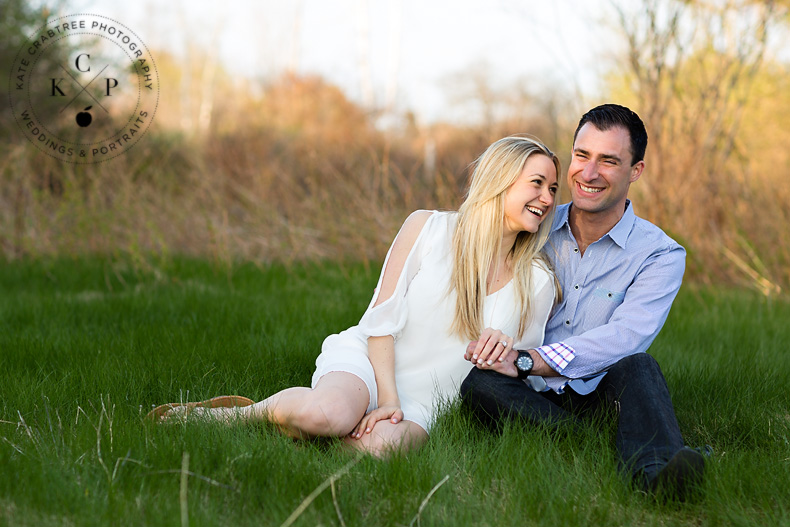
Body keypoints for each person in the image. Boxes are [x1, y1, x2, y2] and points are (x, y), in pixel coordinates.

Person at [150, 135, 561, 457]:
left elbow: (523, 375)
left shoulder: (537, 279)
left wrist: (507, 354)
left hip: (428, 403)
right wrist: (386, 398)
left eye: (553, 189)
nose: (547, 199)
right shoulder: (428, 228)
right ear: (499, 179)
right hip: (372, 364)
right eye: (537, 183)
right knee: (325, 414)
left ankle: (299, 435)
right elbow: (381, 319)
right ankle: (233, 415)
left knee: (380, 448)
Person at [460, 104, 705, 499]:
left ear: (635, 171)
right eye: (581, 155)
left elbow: (627, 336)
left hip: (600, 389)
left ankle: (657, 474)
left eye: (608, 161)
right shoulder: (534, 225)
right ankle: (595, 441)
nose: (588, 174)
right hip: (528, 392)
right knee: (479, 384)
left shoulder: (660, 254)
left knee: (640, 366)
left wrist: (526, 360)